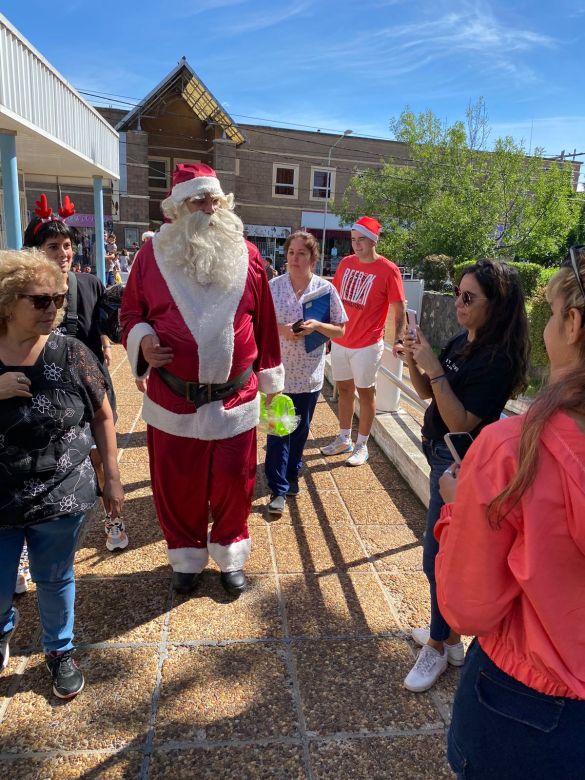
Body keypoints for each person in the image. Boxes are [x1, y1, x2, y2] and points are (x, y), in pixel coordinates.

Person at [434, 247, 585, 778]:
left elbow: (468, 609)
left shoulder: (511, 451)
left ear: (574, 322)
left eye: (551, 311)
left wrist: (459, 510)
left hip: (526, 707)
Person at [121, 163, 283, 597]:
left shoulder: (247, 254)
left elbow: (264, 320)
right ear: (176, 208)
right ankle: (186, 557)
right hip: (173, 400)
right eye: (199, 200)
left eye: (215, 200)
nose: (209, 209)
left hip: (237, 398)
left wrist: (271, 383)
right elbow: (130, 314)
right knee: (178, 486)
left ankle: (230, 552)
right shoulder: (149, 257)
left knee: (235, 480)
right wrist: (144, 340)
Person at [0, 249, 123, 699]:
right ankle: (3, 628)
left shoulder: (70, 352)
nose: (53, 308)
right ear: (8, 302)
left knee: (55, 578)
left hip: (60, 492)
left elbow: (103, 415)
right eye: (40, 300)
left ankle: (59, 651)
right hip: (1, 494)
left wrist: (111, 476)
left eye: (58, 298)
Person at [402, 259, 530, 693]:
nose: (458, 303)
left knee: (437, 557)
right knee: (441, 551)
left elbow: (460, 421)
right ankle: (451, 639)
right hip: (438, 450)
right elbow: (429, 396)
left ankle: (438, 647)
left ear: (495, 306)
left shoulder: (498, 361)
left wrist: (434, 367)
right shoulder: (463, 341)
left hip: (459, 460)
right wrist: (414, 362)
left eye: (469, 297)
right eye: (457, 293)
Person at [23, 197, 126, 554]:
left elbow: (107, 325)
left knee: (100, 454)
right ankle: (25, 548)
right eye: (53, 246)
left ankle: (113, 519)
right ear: (36, 251)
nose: (64, 253)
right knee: (36, 463)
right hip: (39, 391)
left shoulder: (89, 284)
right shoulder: (22, 294)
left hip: (87, 389)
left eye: (67, 245)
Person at [264, 231, 347, 514]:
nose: (295, 258)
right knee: (278, 431)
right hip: (278, 374)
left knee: (299, 431)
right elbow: (257, 323)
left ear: (313, 257)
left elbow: (341, 328)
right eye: (290, 253)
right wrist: (282, 330)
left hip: (310, 376)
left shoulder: (325, 290)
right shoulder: (273, 286)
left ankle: (292, 474)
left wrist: (317, 327)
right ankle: (278, 489)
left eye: (301, 253)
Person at [321, 216, 406, 466]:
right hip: (341, 340)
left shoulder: (389, 270)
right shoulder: (346, 263)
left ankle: (361, 445)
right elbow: (334, 298)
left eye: (361, 240)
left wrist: (399, 339)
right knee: (344, 390)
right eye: (353, 240)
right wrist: (327, 331)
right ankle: (344, 438)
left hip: (368, 345)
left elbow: (399, 309)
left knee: (366, 394)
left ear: (373, 241)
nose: (356, 245)